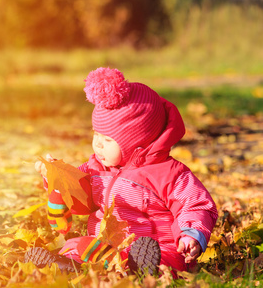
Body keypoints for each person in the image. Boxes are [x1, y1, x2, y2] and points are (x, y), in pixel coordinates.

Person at [29, 67, 218, 276]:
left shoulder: (168, 173)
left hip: (157, 246)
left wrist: (191, 234)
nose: (98, 145)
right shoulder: (95, 168)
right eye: (96, 135)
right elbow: (80, 199)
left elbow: (195, 204)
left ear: (138, 141)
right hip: (107, 245)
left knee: (166, 259)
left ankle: (145, 268)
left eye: (108, 139)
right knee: (79, 245)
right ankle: (62, 264)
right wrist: (57, 177)